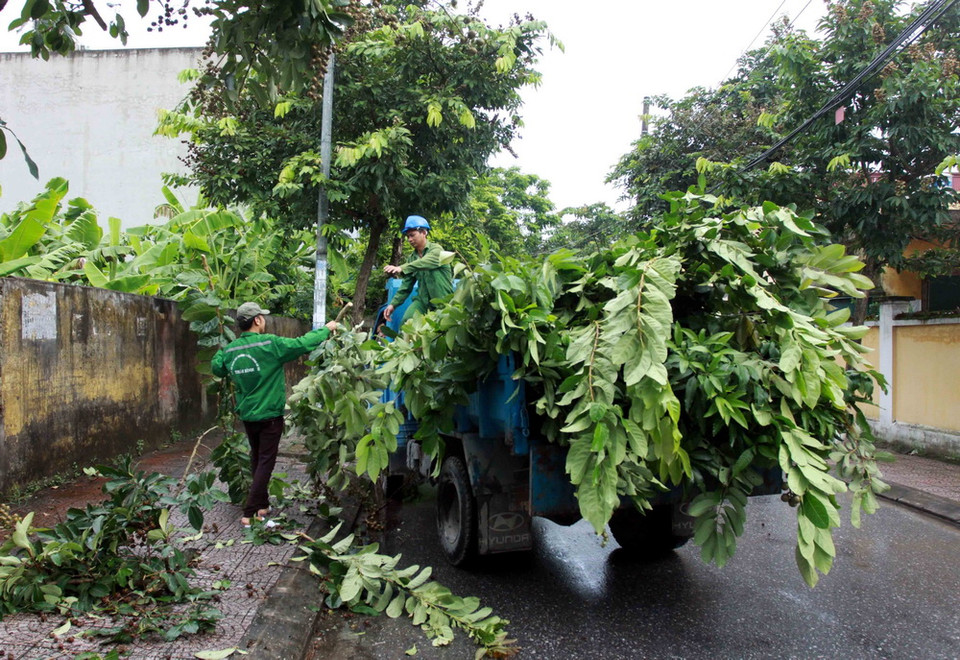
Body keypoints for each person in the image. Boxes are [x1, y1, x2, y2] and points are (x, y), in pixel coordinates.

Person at [211, 302, 338, 527]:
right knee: (266, 462)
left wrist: (227, 354)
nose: (264, 320)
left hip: (248, 415)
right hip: (269, 415)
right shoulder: (270, 344)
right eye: (263, 317)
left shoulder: (231, 350)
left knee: (257, 458)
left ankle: (261, 505)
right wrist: (326, 329)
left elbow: (217, 367)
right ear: (257, 320)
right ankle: (249, 513)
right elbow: (302, 344)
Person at [382, 215, 454, 324]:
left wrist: (401, 268)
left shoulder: (437, 250)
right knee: (407, 322)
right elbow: (407, 284)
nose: (410, 239)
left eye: (412, 235)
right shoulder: (412, 258)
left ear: (424, 233)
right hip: (423, 302)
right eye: (408, 236)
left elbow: (422, 263)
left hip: (442, 301)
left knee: (440, 331)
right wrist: (393, 304)